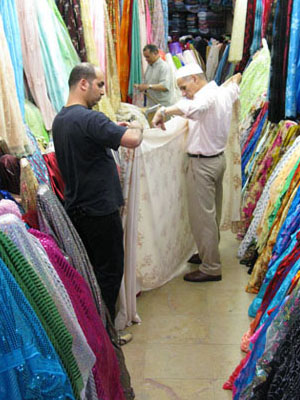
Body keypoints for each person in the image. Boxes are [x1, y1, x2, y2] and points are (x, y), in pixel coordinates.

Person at [52, 62, 143, 332]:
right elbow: (133, 140)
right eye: (99, 84)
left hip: (77, 208)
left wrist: (114, 127)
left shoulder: (61, 119)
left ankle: (94, 331)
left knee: (89, 271)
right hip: (100, 211)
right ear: (83, 83)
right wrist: (138, 126)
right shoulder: (91, 118)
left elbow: (89, 143)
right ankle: (106, 335)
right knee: (109, 272)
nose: (103, 91)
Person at [152, 63, 241, 283]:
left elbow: (196, 108)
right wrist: (236, 78)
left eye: (184, 87)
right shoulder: (221, 92)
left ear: (194, 78)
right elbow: (236, 82)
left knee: (203, 219)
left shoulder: (206, 98)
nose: (183, 93)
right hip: (218, 161)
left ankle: (211, 267)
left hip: (203, 165)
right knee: (212, 214)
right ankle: (206, 253)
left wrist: (164, 110)